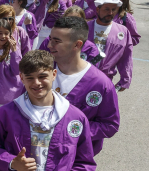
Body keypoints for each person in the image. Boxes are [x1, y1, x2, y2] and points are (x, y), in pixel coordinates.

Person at [0, 50, 96, 171]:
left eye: (43, 76)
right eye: (30, 78)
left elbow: (84, 162)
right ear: (21, 78)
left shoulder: (75, 117)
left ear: (54, 74)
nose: (36, 83)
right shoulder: (5, 114)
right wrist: (12, 162)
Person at [47, 16, 119, 155]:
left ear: (77, 45)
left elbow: (110, 125)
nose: (49, 45)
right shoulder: (41, 73)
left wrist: (71, 130)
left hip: (73, 160)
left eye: (56, 41)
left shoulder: (100, 84)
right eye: (50, 39)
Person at [85, 0, 133, 90]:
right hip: (82, 77)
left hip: (105, 80)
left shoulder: (123, 31)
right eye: (106, 9)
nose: (110, 13)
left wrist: (125, 79)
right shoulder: (85, 27)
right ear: (98, 9)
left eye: (113, 9)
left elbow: (126, 57)